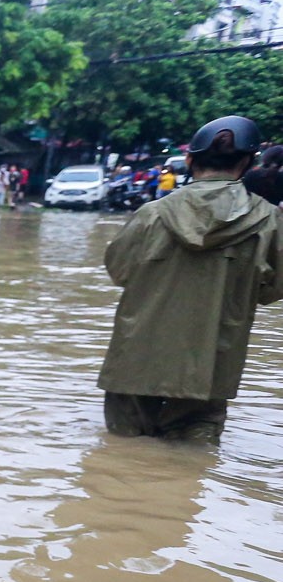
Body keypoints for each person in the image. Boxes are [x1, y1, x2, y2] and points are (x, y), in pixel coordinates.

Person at [98, 115, 283, 442]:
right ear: (248, 162)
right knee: (191, 463)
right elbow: (271, 289)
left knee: (120, 456)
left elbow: (119, 269)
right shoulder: (269, 221)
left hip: (136, 361)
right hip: (209, 365)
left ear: (188, 159)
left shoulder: (151, 214)